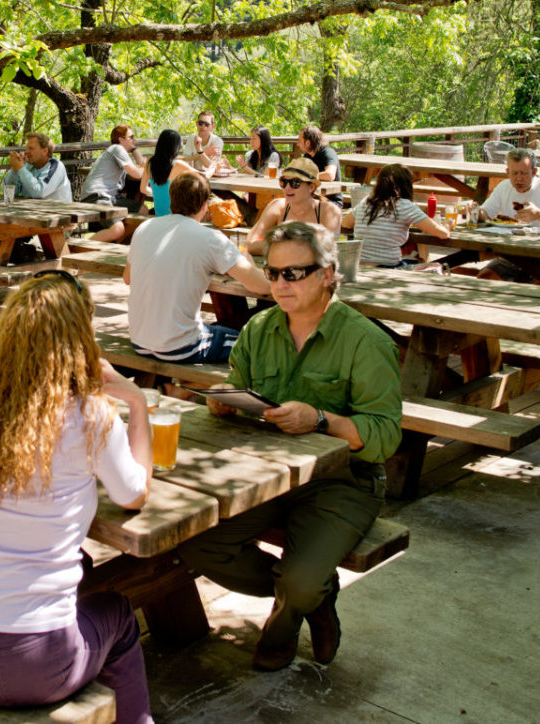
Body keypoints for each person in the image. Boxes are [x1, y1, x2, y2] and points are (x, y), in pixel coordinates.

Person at [0, 271, 154, 724]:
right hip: (30, 664)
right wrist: (136, 401)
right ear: (80, 337)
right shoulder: (91, 416)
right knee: (119, 613)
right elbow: (135, 494)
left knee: (80, 570)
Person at [182, 221, 401, 672]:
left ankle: (284, 625)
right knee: (196, 546)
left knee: (298, 582)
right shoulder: (259, 328)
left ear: (327, 274)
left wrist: (321, 420)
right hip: (268, 472)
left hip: (343, 481)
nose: (278, 283)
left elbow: (384, 437)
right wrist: (227, 406)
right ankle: (315, 597)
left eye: (293, 273)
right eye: (272, 271)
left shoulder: (365, 340)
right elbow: (240, 390)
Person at [125, 175, 270, 364]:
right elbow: (261, 287)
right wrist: (247, 262)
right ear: (205, 206)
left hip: (139, 340)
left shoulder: (145, 227)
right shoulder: (210, 239)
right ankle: (184, 390)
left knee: (219, 331)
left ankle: (178, 389)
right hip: (181, 346)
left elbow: (127, 278)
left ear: (171, 201)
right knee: (259, 347)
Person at [473, 147, 540, 281]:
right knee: (485, 279)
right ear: (507, 172)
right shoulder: (504, 187)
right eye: (514, 173)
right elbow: (485, 214)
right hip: (514, 254)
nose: (519, 178)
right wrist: (475, 210)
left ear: (534, 172)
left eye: (524, 173)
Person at [341, 164, 449, 268]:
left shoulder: (367, 201)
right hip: (387, 265)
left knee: (412, 257)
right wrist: (448, 226)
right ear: (406, 185)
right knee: (420, 261)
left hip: (359, 265)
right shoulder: (405, 205)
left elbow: (345, 223)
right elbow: (442, 233)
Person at [245, 158, 341, 256]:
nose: (287, 188)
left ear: (311, 187)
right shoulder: (277, 207)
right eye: (284, 182)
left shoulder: (330, 212)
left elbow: (330, 248)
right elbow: (250, 243)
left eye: (295, 183)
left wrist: (279, 246)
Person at [81, 125, 146, 241]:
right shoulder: (117, 148)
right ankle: (78, 249)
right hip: (97, 196)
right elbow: (138, 174)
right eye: (131, 137)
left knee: (143, 211)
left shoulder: (118, 151)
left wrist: (133, 149)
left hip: (111, 197)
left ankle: (118, 243)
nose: (134, 139)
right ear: (121, 139)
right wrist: (146, 168)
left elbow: (140, 164)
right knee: (117, 229)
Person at [1, 132, 71, 201]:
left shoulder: (56, 167)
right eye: (26, 148)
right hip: (31, 210)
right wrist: (14, 169)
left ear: (45, 151)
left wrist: (21, 168)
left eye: (31, 148)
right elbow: (7, 192)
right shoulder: (27, 165)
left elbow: (39, 192)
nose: (26, 151)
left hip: (57, 211)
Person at [139, 129, 194, 217]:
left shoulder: (150, 162)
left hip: (159, 216)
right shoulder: (178, 165)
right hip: (176, 218)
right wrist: (213, 167)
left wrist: (158, 194)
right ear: (175, 146)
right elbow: (202, 176)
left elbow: (143, 189)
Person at [188, 111, 230, 177]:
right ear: (196, 124)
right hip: (193, 176)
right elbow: (186, 160)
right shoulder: (191, 138)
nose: (203, 126)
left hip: (211, 176)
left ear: (212, 127)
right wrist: (205, 152)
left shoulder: (217, 141)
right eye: (200, 123)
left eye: (206, 124)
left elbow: (212, 166)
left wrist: (200, 151)